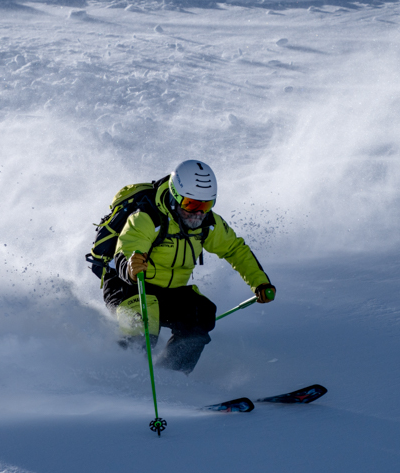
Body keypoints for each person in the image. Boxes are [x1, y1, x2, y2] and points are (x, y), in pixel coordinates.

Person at [103, 160, 275, 374]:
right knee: (143, 330)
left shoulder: (208, 224)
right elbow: (128, 246)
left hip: (168, 292)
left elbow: (235, 250)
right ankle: (117, 378)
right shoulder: (148, 217)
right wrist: (131, 265)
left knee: (200, 316)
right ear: (175, 197)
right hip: (129, 284)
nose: (198, 213)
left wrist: (259, 281)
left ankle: (171, 378)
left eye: (205, 205)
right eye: (191, 205)